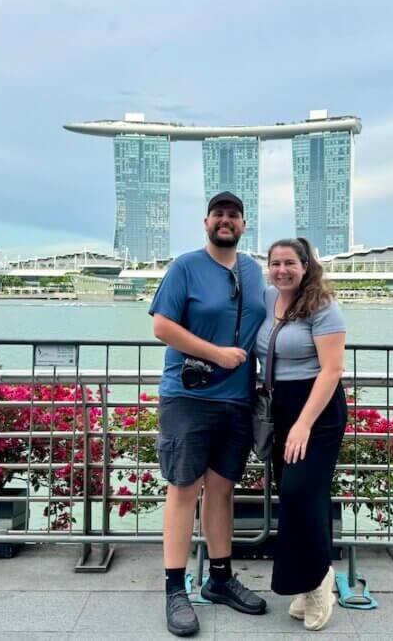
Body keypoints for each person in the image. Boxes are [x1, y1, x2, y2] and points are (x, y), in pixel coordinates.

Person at [149, 191, 267, 636]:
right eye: (218, 214)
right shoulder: (185, 266)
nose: (226, 221)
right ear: (205, 222)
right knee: (183, 488)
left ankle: (220, 579)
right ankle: (175, 589)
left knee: (221, 489)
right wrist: (215, 353)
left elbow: (276, 315)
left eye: (233, 215)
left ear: (243, 224)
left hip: (236, 400)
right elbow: (162, 326)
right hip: (188, 397)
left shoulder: (255, 272)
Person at [255, 237, 347, 632]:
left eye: (289, 263)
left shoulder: (323, 307)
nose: (281, 270)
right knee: (290, 496)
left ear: (306, 265)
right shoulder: (267, 299)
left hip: (317, 412)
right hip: (279, 408)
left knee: (300, 492)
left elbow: (332, 370)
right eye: (275, 263)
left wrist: (304, 424)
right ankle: (305, 580)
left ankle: (320, 580)